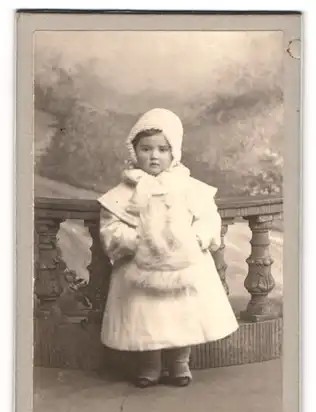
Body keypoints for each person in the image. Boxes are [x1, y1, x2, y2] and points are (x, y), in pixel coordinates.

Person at [98, 108, 238, 388]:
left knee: (181, 314)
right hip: (140, 266)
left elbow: (209, 218)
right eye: (146, 148)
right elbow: (111, 228)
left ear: (175, 152)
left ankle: (179, 364)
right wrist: (136, 241)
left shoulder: (188, 188)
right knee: (146, 316)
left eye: (163, 149)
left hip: (183, 263)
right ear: (133, 151)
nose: (154, 156)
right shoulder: (125, 192)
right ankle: (149, 365)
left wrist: (197, 238)